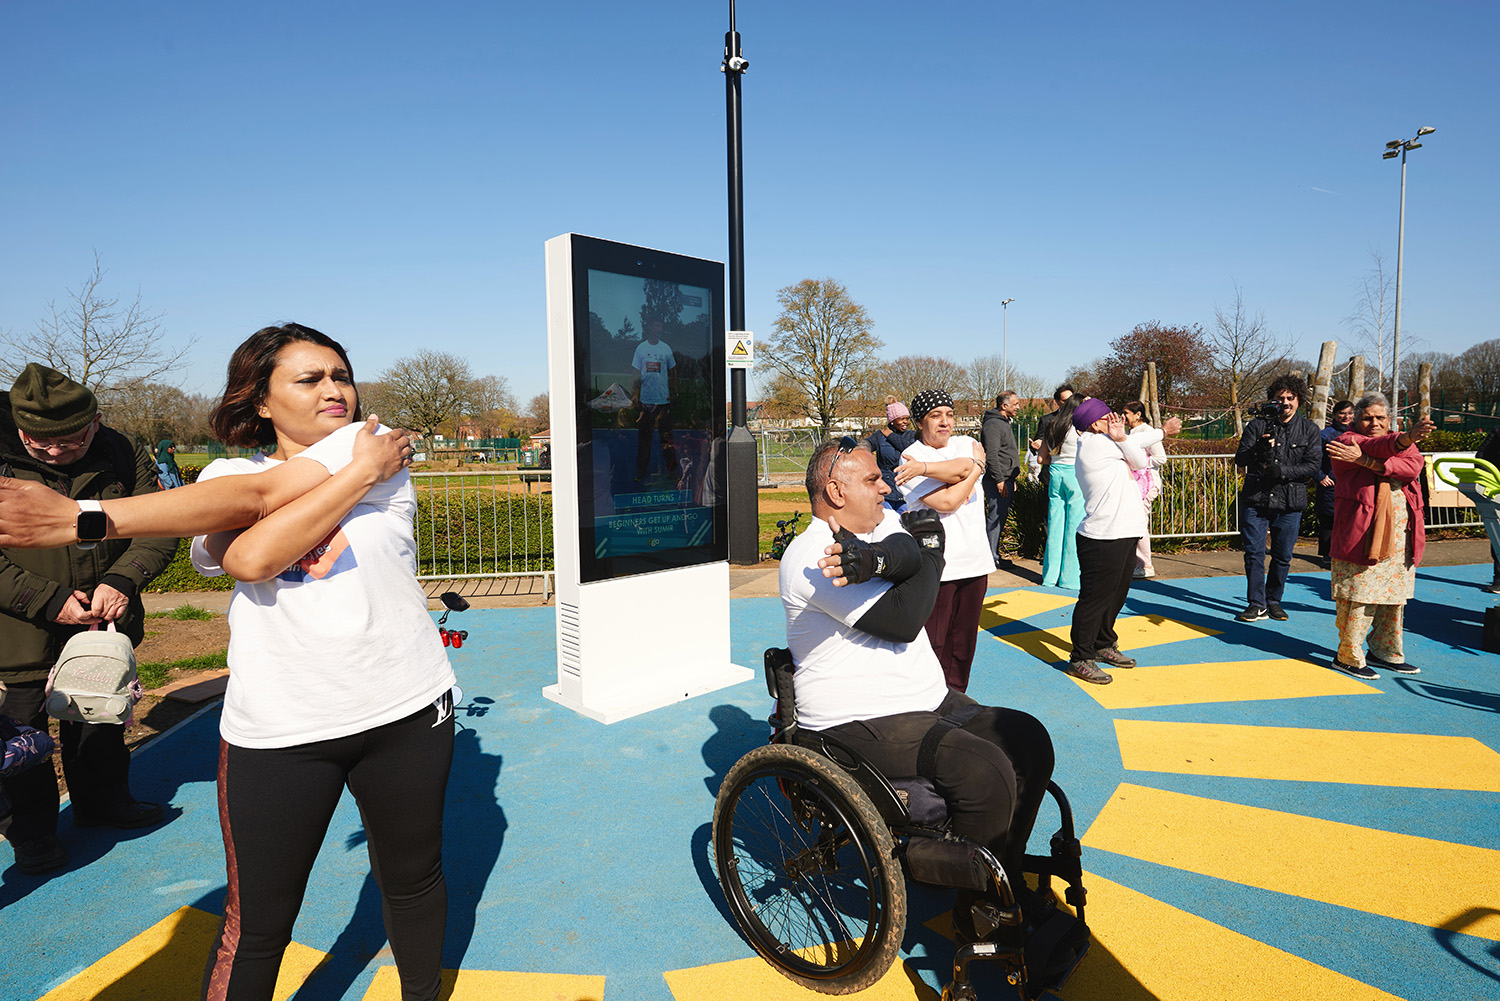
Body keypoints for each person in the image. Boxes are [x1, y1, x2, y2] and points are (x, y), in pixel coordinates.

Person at [0, 325, 450, 1001]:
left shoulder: (372, 446)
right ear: (260, 401)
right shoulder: (226, 479)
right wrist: (358, 476)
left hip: (408, 707)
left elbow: (263, 527)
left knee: (414, 880)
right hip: (281, 729)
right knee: (260, 921)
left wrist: (81, 517)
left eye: (340, 374)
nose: (334, 389)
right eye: (309, 378)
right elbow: (248, 540)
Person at [780, 437, 1056, 945]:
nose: (886, 487)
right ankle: (979, 915)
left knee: (1029, 740)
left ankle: (1003, 876)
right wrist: (930, 557)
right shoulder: (815, 556)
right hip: (858, 717)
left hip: (924, 700)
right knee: (984, 770)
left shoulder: (878, 523)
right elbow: (906, 618)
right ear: (835, 491)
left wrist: (906, 556)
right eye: (872, 480)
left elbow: (909, 545)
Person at [0, 364, 177, 874]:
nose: (56, 452)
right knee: (21, 738)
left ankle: (102, 803)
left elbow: (161, 523)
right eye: (39, 443)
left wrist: (123, 579)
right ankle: (31, 834)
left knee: (99, 714)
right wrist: (46, 598)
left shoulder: (123, 450)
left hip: (104, 622)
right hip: (18, 630)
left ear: (95, 422)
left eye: (72, 441)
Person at [1066, 399, 1181, 684]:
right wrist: (1163, 431)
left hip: (1124, 532)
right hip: (1102, 536)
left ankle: (1103, 644)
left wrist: (1121, 438)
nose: (1116, 419)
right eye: (1109, 416)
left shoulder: (1112, 442)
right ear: (1095, 424)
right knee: (1095, 599)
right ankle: (1080, 657)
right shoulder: (1093, 443)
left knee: (1116, 595)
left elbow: (1141, 461)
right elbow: (1139, 444)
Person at [1324, 394, 1435, 679]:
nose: (1374, 423)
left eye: (1380, 417)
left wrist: (1369, 463)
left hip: (1400, 537)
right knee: (1358, 597)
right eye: (1367, 418)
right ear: (1356, 420)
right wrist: (1402, 441)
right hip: (1361, 536)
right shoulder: (1345, 442)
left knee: (1394, 598)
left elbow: (1412, 467)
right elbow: (1375, 447)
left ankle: (1386, 652)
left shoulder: (1399, 444)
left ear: (1389, 419)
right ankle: (1348, 656)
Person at [897, 390, 993, 692]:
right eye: (935, 415)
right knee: (934, 641)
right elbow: (948, 502)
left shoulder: (964, 444)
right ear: (919, 422)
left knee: (964, 643)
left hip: (975, 561)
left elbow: (963, 467)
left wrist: (930, 470)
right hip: (937, 565)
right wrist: (976, 469)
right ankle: (929, 700)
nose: (945, 422)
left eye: (949, 415)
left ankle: (957, 698)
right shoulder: (909, 456)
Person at [1233, 375, 1322, 623]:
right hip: (1256, 499)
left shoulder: (1309, 430)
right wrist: (1258, 450)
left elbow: (1313, 465)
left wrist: (1283, 471)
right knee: (1254, 553)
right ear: (1272, 400)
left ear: (1298, 400)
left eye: (1290, 398)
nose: (1285, 402)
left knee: (1282, 556)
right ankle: (1256, 603)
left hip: (1290, 502)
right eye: (1279, 398)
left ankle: (1273, 600)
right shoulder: (1256, 426)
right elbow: (1240, 459)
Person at [1039, 396, 1085, 589]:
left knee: (1055, 524)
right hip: (1074, 475)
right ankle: (1070, 578)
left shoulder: (1052, 426)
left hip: (1055, 474)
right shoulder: (1080, 429)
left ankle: (1050, 577)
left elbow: (1041, 459)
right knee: (1074, 526)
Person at [1122, 402, 1168, 578]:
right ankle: (1135, 563)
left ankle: (1145, 565)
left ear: (1138, 414)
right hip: (1133, 483)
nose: (1123, 416)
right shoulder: (1128, 433)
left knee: (1140, 522)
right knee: (1133, 522)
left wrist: (1141, 462)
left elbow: (1161, 458)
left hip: (1147, 484)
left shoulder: (1149, 432)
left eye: (1126, 413)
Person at [631, 317, 678, 482]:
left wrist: (675, 392)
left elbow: (673, 371)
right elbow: (635, 373)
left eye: (661, 326)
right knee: (645, 439)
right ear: (650, 328)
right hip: (646, 402)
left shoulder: (666, 348)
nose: (660, 329)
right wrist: (635, 394)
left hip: (663, 402)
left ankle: (672, 471)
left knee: (666, 439)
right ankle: (642, 470)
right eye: (657, 325)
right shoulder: (641, 348)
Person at [981, 391, 1022, 566]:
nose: (1018, 407)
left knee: (1000, 518)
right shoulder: (993, 425)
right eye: (1015, 404)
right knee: (995, 519)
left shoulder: (1003, 423)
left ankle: (994, 555)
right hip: (997, 481)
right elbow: (992, 455)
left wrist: (1011, 479)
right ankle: (990, 558)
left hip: (1006, 479)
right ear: (1004, 406)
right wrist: (999, 480)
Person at [1316, 401, 1353, 559]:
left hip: (1351, 484)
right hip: (1331, 485)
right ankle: (1327, 555)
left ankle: (1346, 554)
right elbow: (1313, 459)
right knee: (1329, 519)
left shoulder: (1358, 433)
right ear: (1334, 415)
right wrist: (1320, 476)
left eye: (1350, 413)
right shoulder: (1325, 435)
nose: (1346, 417)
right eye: (1342, 413)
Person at [866, 395, 916, 511]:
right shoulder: (879, 436)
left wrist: (890, 435)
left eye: (907, 418)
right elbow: (864, 447)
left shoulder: (911, 436)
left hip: (906, 492)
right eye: (902, 419)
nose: (906, 422)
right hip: (885, 492)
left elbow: (907, 449)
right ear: (892, 420)